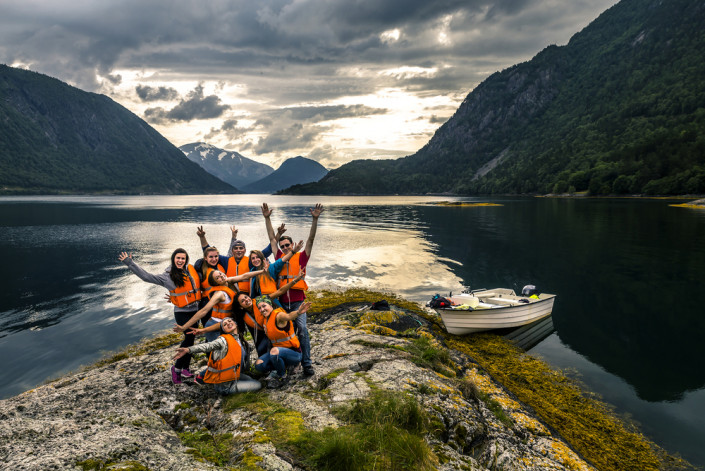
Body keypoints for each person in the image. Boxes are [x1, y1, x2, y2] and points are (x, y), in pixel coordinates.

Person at [119, 248, 201, 385]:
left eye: (183, 258)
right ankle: (176, 369)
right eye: (178, 258)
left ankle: (186, 368)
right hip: (181, 312)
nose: (180, 260)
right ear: (173, 259)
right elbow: (146, 277)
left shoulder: (191, 271)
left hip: (195, 310)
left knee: (192, 338)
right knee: (188, 337)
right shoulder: (167, 277)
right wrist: (130, 263)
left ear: (186, 260)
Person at [262, 202, 323, 376]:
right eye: (283, 246)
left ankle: (307, 364)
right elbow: (272, 239)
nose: (285, 248)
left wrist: (315, 219)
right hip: (281, 304)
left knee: (302, 330)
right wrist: (267, 218)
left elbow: (311, 239)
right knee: (278, 332)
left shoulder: (302, 257)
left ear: (292, 244)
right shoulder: (279, 257)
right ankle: (282, 363)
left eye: (287, 245)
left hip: (298, 302)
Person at [173, 317, 261, 394]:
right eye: (225, 324)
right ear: (224, 330)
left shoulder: (239, 338)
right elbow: (208, 346)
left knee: (251, 379)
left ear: (236, 324)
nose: (228, 323)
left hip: (232, 376)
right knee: (258, 385)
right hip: (224, 386)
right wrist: (188, 349)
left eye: (230, 321)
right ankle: (223, 389)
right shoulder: (223, 340)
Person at [174, 269, 263, 341]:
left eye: (220, 273)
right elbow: (204, 311)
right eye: (218, 278)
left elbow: (245, 276)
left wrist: (262, 271)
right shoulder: (219, 294)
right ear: (216, 283)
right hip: (215, 325)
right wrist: (184, 327)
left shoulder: (227, 281)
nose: (221, 276)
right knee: (222, 353)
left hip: (227, 324)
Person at [254, 296, 312, 388]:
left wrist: (298, 312)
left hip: (294, 353)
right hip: (278, 353)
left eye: (264, 306)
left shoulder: (278, 315)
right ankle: (281, 367)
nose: (262, 309)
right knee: (259, 364)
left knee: (274, 351)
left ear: (270, 305)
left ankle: (282, 376)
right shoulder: (266, 319)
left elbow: (288, 316)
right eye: (259, 308)